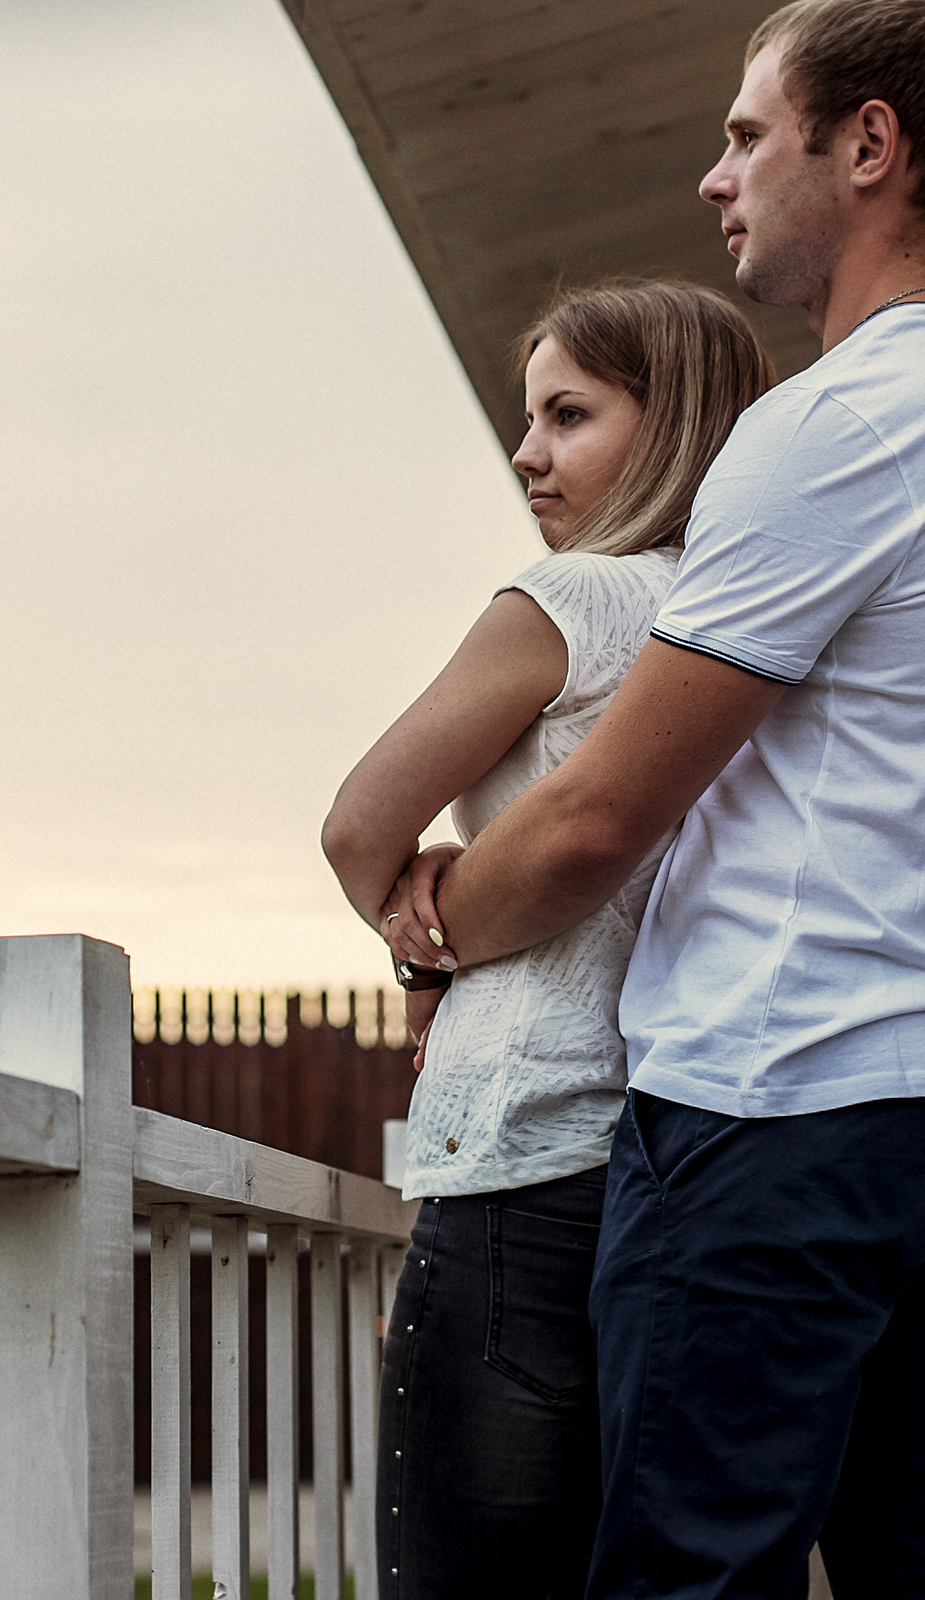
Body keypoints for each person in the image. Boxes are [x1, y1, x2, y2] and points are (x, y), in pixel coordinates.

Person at [380, 0, 925, 1599]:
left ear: (868, 145)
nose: (715, 176)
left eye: (744, 133)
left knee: (690, 1580)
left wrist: (434, 924)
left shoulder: (835, 426)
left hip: (775, 1114)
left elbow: (595, 816)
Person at [322, 278, 769, 1600]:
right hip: (667, 1172)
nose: (530, 453)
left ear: (675, 423)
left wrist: (420, 938)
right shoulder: (747, 628)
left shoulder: (573, 598)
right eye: (530, 419)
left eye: (569, 415)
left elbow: (358, 828)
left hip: (517, 1159)